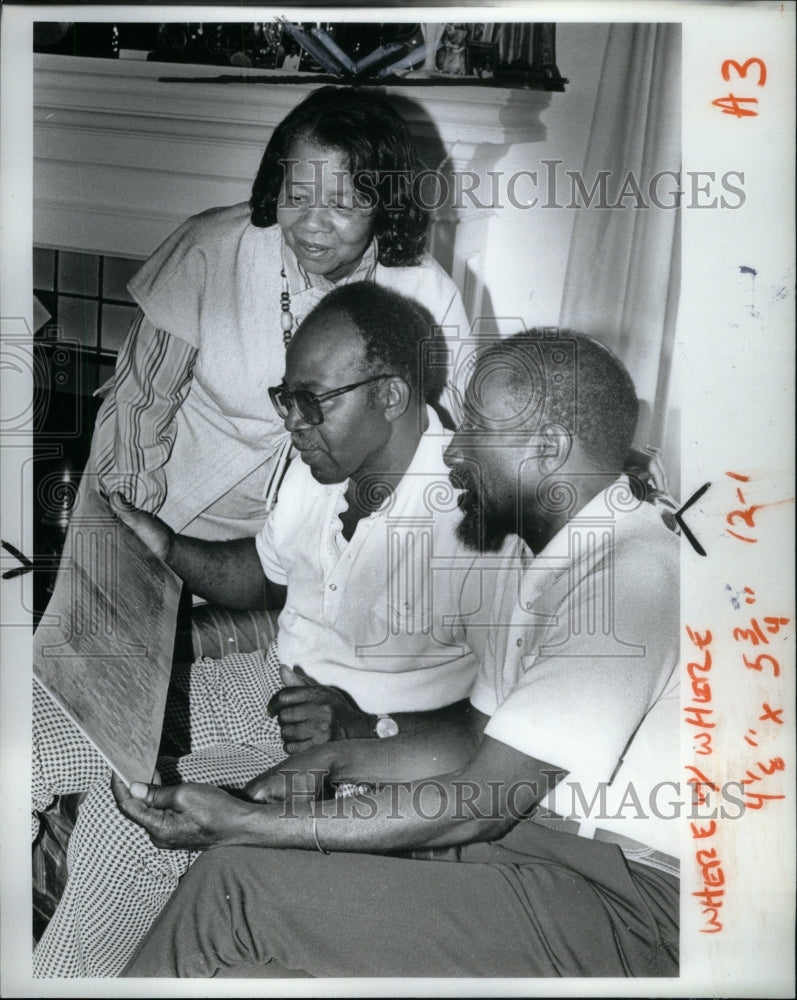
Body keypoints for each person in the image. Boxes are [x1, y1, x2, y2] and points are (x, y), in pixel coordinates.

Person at [115, 329, 680, 980]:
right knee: (252, 971)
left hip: (632, 906)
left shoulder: (626, 578)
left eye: (476, 427)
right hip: (541, 852)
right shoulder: (555, 558)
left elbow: (481, 802)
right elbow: (475, 742)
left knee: (235, 890)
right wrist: (329, 760)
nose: (456, 450)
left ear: (547, 450)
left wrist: (241, 825)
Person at [31, 283, 503, 977]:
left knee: (125, 830)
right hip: (258, 683)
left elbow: (496, 732)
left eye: (313, 402)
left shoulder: (479, 518)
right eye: (287, 397)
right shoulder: (320, 468)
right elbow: (262, 570)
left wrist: (369, 728)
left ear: (391, 395)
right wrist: (168, 547)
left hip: (358, 759)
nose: (293, 423)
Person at [86, 84, 469, 541]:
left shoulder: (427, 293)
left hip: (313, 539)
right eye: (298, 195)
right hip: (168, 510)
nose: (311, 223)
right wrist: (132, 524)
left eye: (343, 204)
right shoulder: (210, 250)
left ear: (384, 204)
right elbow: (140, 402)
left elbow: (442, 439)